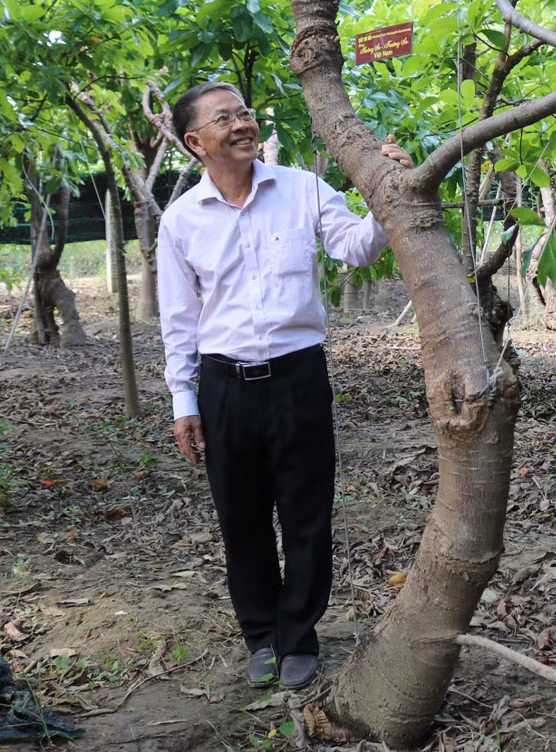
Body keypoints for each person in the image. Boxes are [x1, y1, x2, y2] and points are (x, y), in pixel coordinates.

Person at [157, 82, 412, 691]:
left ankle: (299, 636)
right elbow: (179, 319)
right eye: (225, 118)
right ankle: (261, 636)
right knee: (240, 521)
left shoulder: (300, 188)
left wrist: (387, 191)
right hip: (224, 387)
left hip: (299, 377)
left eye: (244, 113)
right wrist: (184, 400)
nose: (242, 124)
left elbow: (355, 248)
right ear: (196, 142)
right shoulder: (181, 220)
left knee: (306, 516)